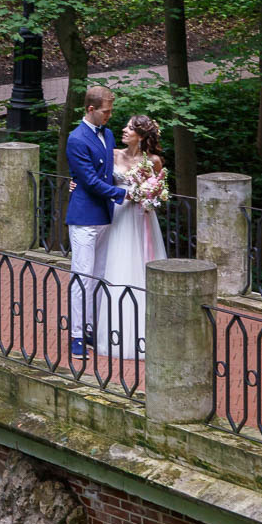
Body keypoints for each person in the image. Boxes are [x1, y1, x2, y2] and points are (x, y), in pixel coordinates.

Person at [97, 113, 167, 361]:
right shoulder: (113, 154)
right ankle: (112, 331)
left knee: (138, 266)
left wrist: (149, 196)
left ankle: (143, 334)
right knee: (114, 265)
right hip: (116, 215)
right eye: (126, 127)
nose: (124, 130)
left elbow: (157, 189)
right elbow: (95, 177)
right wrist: (76, 183)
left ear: (142, 136)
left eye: (130, 128)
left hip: (139, 218)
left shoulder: (153, 161)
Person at [64, 84, 125, 358]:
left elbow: (109, 171)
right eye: (106, 112)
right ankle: (76, 335)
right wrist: (123, 194)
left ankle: (90, 328)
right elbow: (89, 180)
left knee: (99, 275)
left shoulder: (108, 134)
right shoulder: (76, 138)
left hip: (105, 215)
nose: (109, 116)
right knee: (82, 276)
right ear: (91, 109)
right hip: (85, 217)